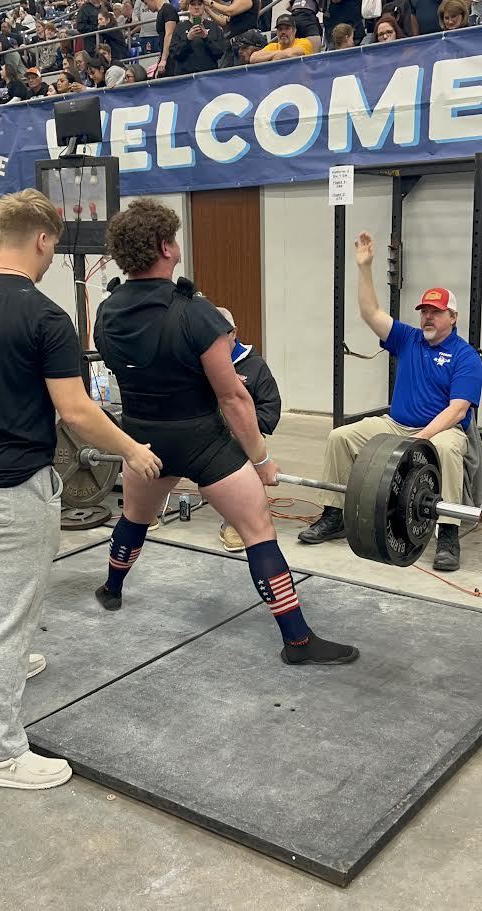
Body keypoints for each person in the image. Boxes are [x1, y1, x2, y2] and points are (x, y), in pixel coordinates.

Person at [93, 198, 358, 667]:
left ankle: (111, 589)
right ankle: (297, 641)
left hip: (141, 442)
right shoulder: (197, 314)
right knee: (258, 530)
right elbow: (233, 399)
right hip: (202, 442)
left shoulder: (107, 311)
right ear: (165, 248)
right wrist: (262, 461)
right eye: (172, 239)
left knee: (135, 518)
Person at [0, 189, 162, 790]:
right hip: (12, 488)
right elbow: (77, 412)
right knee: (8, 616)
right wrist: (132, 449)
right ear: (44, 240)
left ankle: (6, 667)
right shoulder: (44, 316)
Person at [298, 232, 482, 573]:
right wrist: (365, 267)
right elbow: (371, 312)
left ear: (453, 318)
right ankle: (334, 514)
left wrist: (422, 438)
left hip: (443, 429)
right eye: (424, 311)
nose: (427, 317)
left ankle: (448, 533)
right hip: (394, 423)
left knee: (447, 451)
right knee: (341, 437)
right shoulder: (408, 338)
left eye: (436, 312)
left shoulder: (466, 356)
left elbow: (458, 410)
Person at [215, 306, 281, 553]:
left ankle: (236, 521)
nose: (216, 343)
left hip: (237, 438)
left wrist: (244, 426)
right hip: (202, 433)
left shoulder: (255, 366)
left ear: (234, 333)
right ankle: (147, 508)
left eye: (222, 336)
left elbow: (270, 408)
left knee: (241, 445)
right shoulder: (200, 362)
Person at [170, 0, 225, 76]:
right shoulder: (179, 27)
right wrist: (188, 39)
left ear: (204, 6)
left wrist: (206, 38)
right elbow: (175, 54)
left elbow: (219, 52)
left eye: (199, 4)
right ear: (188, 6)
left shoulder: (213, 26)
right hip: (186, 77)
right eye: (193, 4)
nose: (196, 7)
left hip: (209, 76)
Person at [203, 0, 259, 67]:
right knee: (225, 73)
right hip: (233, 43)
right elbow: (224, 22)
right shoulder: (235, 3)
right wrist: (208, 10)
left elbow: (229, 11)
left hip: (245, 44)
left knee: (241, 73)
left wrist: (210, 2)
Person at [145, 0, 179, 76]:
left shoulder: (168, 9)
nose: (147, 7)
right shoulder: (162, 11)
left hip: (171, 56)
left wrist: (163, 60)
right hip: (166, 55)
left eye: (146, 3)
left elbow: (169, 34)